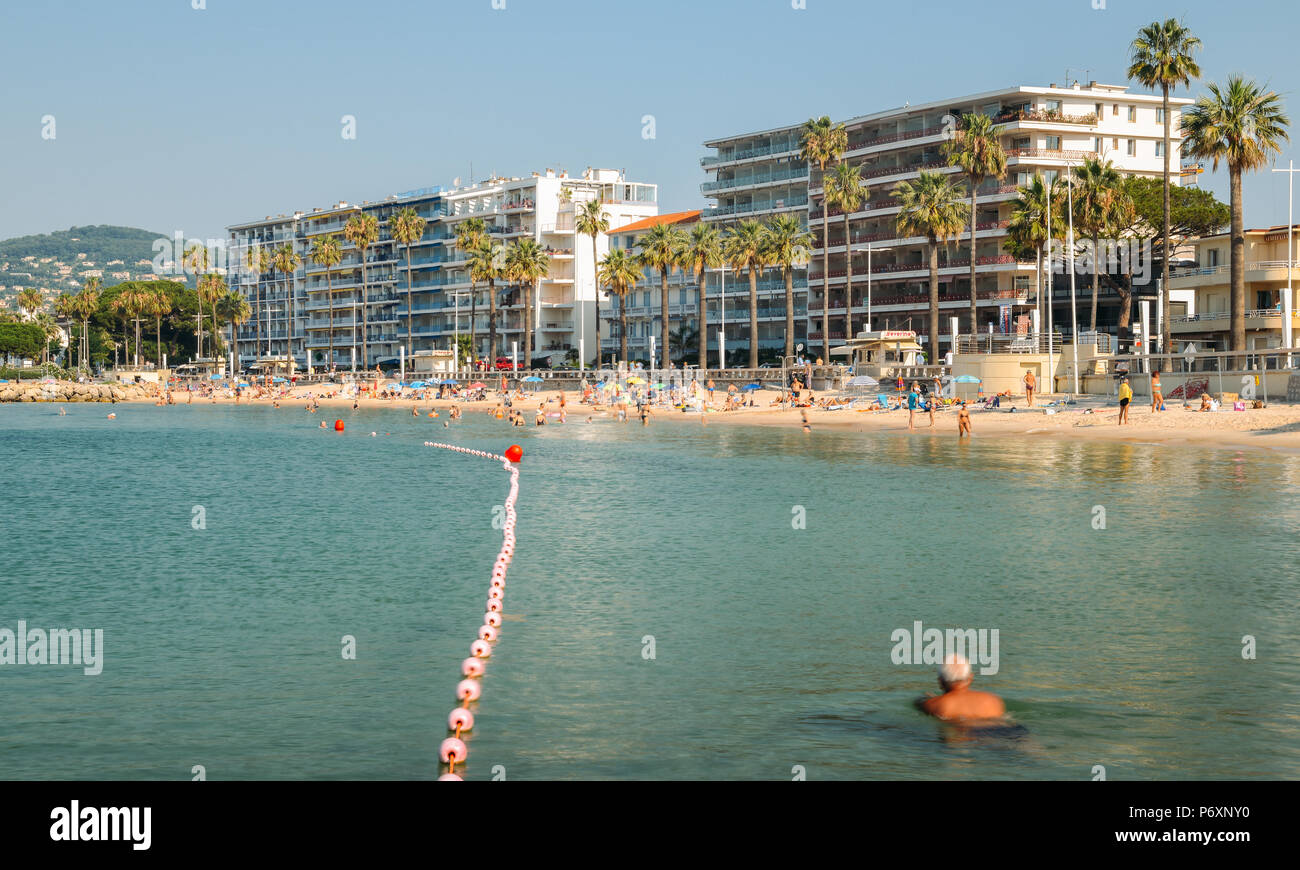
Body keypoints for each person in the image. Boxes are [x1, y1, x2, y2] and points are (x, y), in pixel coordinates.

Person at [917, 655, 1005, 722]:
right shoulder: (994, 700)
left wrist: (931, 700)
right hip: (1008, 732)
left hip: (966, 737)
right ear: (970, 678)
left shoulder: (934, 705)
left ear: (940, 681)